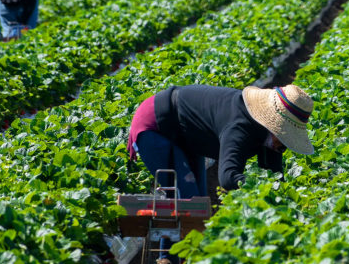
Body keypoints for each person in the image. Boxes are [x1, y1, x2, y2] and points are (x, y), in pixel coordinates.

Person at [127, 84, 314, 197]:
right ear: (273, 125)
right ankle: (167, 261)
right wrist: (261, 187)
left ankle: (174, 259)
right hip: (156, 126)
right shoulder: (240, 127)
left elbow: (274, 175)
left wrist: (281, 193)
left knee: (198, 202)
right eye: (284, 135)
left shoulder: (269, 136)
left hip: (188, 134)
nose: (283, 144)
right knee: (186, 199)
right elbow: (227, 177)